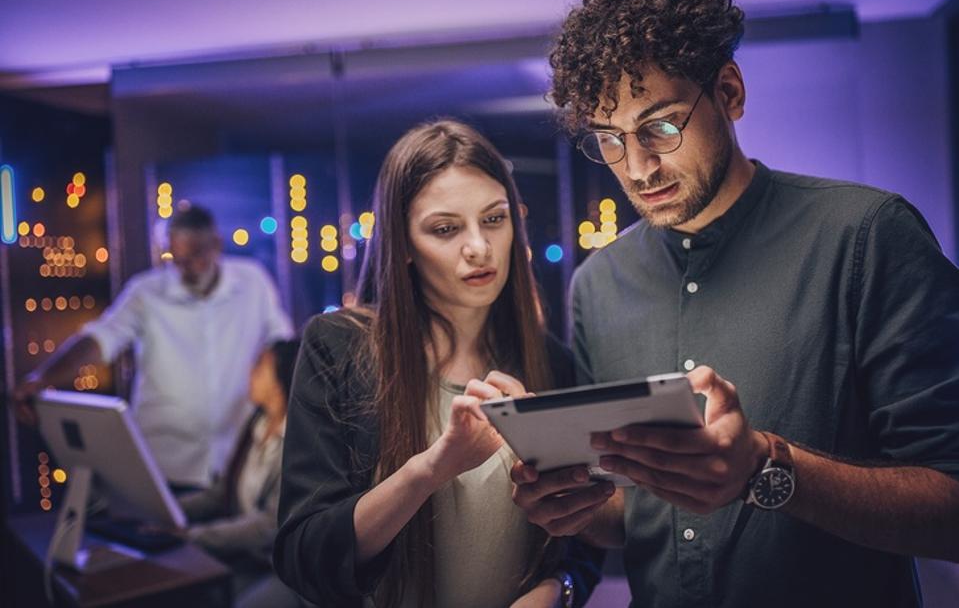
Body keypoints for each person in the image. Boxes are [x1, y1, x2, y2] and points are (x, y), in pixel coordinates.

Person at [506, 0, 959, 607]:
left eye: (660, 126)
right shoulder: (596, 286)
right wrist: (572, 505)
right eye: (610, 140)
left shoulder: (866, 236)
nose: (637, 168)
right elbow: (631, 512)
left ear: (729, 91)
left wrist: (765, 467)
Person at [274, 120, 604, 608]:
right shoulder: (339, 347)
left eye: (494, 219)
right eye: (446, 229)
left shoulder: (549, 359)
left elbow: (584, 535)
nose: (478, 246)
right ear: (403, 244)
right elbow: (306, 558)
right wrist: (430, 469)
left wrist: (556, 592)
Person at [13, 205, 294, 489]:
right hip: (165, 465)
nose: (185, 269)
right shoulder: (146, 292)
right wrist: (43, 378)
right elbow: (101, 339)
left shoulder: (253, 281)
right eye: (177, 258)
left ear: (216, 245)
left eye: (195, 256)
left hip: (236, 462)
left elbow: (280, 344)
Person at [178, 339, 303, 608]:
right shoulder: (255, 424)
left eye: (260, 366)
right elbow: (221, 493)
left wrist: (192, 536)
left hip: (282, 568)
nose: (251, 372)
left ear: (281, 378)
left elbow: (271, 524)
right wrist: (168, 509)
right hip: (247, 558)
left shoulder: (299, 440)